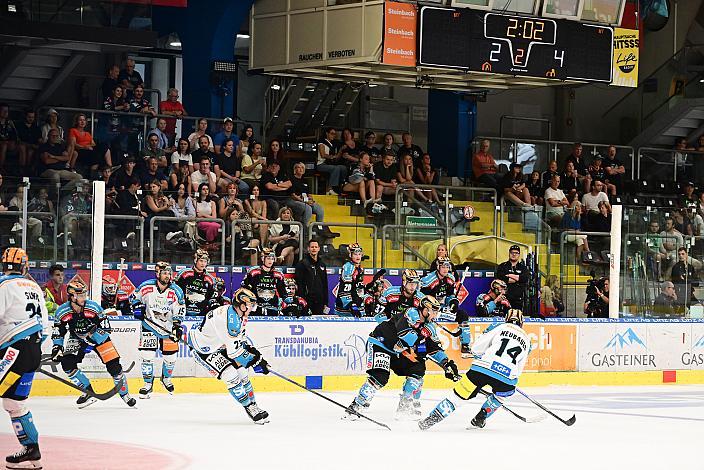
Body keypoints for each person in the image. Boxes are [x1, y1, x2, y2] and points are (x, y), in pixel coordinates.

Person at [343, 296, 459, 421]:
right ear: (425, 310)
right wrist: (423, 339)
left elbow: (434, 347)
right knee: (380, 377)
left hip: (398, 351)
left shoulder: (429, 327)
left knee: (418, 369)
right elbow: (406, 337)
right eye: (434, 311)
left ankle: (404, 405)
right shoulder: (411, 313)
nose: (436, 315)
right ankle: (356, 406)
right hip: (380, 343)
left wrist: (447, 363)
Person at [418, 309, 529, 431]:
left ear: (506, 319)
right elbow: (518, 370)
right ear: (522, 323)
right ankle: (481, 417)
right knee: (500, 396)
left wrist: (481, 356)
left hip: (481, 369)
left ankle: (431, 419)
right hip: (506, 378)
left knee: (456, 398)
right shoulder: (527, 340)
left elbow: (476, 348)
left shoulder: (499, 326)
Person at [186, 287, 271, 424]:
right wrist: (256, 362)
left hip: (220, 344)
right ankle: (249, 407)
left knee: (243, 373)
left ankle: (254, 405)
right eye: (250, 306)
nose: (252, 309)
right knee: (231, 375)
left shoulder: (238, 315)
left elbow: (239, 341)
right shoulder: (229, 320)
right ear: (242, 305)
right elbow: (235, 353)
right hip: (204, 349)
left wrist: (256, 356)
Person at [0, 248, 50, 469]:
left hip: (14, 350)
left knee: (13, 402)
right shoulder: (35, 287)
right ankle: (32, 451)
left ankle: (31, 449)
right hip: (33, 350)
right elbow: (46, 327)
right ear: (24, 267)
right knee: (14, 402)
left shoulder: (3, 285)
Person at [52, 280, 136, 408]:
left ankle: (125, 394)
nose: (84, 298)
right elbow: (58, 331)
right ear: (72, 297)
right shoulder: (62, 311)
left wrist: (92, 340)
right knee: (67, 364)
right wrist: (57, 347)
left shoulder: (93, 307)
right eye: (80, 295)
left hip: (98, 337)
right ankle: (87, 391)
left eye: (85, 294)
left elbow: (106, 328)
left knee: (114, 365)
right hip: (77, 338)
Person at [131, 261, 185, 398]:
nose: (167, 276)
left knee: (171, 357)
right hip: (149, 325)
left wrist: (177, 325)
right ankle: (148, 384)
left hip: (168, 328)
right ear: (157, 274)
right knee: (147, 356)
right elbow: (133, 298)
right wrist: (137, 307)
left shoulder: (176, 291)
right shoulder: (146, 286)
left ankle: (166, 379)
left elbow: (181, 309)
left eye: (169, 273)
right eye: (164, 273)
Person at [421, 257, 471, 357]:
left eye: (447, 266)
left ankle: (465, 345)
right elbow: (422, 299)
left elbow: (450, 295)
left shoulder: (450, 278)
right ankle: (423, 346)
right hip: (429, 310)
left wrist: (453, 302)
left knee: (462, 314)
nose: (445, 269)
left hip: (441, 309)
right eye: (443, 266)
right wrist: (431, 310)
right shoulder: (428, 280)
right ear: (438, 266)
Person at [290, 161, 338, 238]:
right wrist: (304, 201)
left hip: (305, 200)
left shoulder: (305, 180)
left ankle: (320, 228)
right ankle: (305, 228)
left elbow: (308, 193)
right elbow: (293, 195)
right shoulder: (291, 179)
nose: (301, 169)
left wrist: (311, 200)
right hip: (295, 201)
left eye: (302, 168)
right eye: (299, 167)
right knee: (308, 208)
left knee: (319, 209)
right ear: (295, 170)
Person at [241, 248, 287, 316]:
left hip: (273, 307)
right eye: (268, 258)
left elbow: (283, 292)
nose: (270, 261)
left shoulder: (278, 274)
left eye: (272, 258)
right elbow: (244, 288)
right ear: (263, 259)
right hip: (256, 307)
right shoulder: (254, 272)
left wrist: (285, 301)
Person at [176, 249, 216, 316]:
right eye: (201, 261)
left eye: (205, 261)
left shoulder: (210, 279)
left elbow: (211, 297)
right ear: (195, 260)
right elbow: (175, 290)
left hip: (201, 314)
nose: (203, 264)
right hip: (182, 312)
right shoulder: (184, 273)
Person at [295, 239, 329, 316]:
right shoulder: (302, 264)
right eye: (312, 247)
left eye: (316, 247)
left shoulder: (322, 264)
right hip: (307, 300)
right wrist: (302, 300)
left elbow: (325, 285)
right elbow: (299, 284)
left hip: (319, 301)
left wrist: (325, 302)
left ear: (319, 249)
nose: (314, 249)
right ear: (308, 249)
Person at [334, 243, 366, 316]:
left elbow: (358, 288)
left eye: (359, 254)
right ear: (350, 255)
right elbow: (345, 289)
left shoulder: (360, 268)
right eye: (355, 254)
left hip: (357, 304)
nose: (358, 256)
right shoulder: (348, 267)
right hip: (347, 309)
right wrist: (352, 305)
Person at [496, 245, 529, 313]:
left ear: (519, 254)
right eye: (512, 252)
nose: (514, 254)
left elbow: (524, 279)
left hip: (518, 299)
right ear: (509, 253)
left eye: (516, 253)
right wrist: (517, 279)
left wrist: (509, 275)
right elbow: (500, 277)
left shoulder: (523, 268)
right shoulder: (502, 266)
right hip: (504, 298)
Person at [316, 127, 346, 195]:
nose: (333, 135)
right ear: (327, 133)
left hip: (330, 164)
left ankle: (342, 185)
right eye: (332, 133)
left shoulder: (333, 144)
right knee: (336, 168)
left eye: (334, 134)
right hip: (321, 164)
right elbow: (323, 154)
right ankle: (329, 189)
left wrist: (341, 150)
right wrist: (332, 157)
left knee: (343, 168)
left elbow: (336, 157)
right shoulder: (322, 142)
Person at [16, 109, 42, 174]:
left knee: (31, 151)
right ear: (25, 116)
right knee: (23, 148)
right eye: (29, 117)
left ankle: (28, 170)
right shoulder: (19, 126)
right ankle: (22, 169)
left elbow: (39, 139)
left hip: (33, 147)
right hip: (22, 145)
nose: (31, 119)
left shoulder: (36, 128)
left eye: (32, 117)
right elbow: (17, 139)